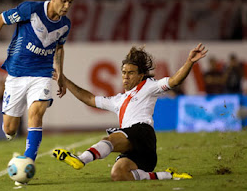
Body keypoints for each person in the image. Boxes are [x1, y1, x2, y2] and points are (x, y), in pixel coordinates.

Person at [53, 43, 207, 181]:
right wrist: (64, 80)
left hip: (142, 133)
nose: (126, 76)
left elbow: (174, 81)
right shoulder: (118, 100)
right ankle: (167, 175)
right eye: (124, 72)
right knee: (119, 175)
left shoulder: (149, 86)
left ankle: (81, 159)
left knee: (111, 140)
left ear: (140, 75)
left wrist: (189, 62)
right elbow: (89, 98)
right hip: (136, 149)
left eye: (131, 73)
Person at [0, 0, 75, 166]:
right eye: (64, 0)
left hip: (42, 74)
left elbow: (59, 48)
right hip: (17, 73)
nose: (67, 6)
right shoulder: (30, 10)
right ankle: (12, 135)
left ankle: (29, 161)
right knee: (10, 129)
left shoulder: (65, 25)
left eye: (70, 2)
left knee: (36, 113)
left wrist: (60, 72)